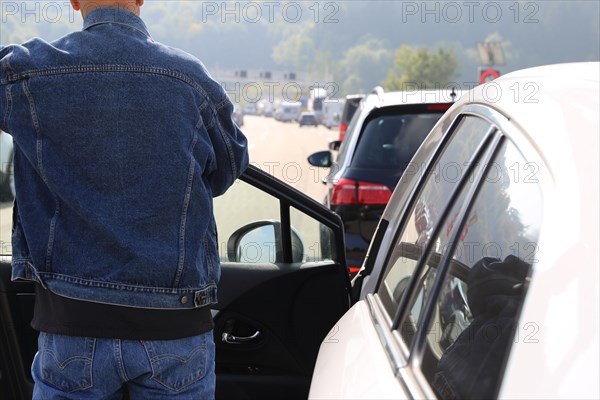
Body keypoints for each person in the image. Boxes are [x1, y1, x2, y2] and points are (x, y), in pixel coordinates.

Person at [0, 0, 249, 398]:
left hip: (72, 326)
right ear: (141, 0)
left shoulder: (25, 70)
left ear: (74, 1)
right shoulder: (192, 79)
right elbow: (227, 168)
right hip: (175, 329)